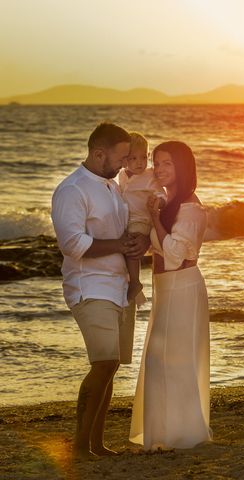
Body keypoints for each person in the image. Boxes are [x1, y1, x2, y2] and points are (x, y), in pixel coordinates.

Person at [51, 123, 149, 459]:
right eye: (121, 157)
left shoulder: (112, 186)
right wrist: (120, 243)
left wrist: (137, 241)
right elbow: (72, 244)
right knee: (104, 361)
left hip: (119, 285)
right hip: (88, 286)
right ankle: (79, 445)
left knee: (111, 365)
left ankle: (96, 443)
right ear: (98, 153)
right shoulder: (72, 190)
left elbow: (123, 231)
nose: (125, 164)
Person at [130, 141, 212, 450]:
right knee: (161, 361)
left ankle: (183, 435)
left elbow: (176, 254)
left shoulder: (190, 206)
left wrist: (153, 220)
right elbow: (161, 247)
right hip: (166, 289)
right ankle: (163, 435)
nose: (159, 169)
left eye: (166, 163)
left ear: (182, 167)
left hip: (182, 287)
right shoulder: (169, 202)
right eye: (156, 162)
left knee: (173, 362)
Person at [117, 132, 165, 305]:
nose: (140, 162)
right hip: (126, 219)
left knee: (132, 247)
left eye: (144, 157)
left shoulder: (149, 175)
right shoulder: (122, 175)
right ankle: (131, 283)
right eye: (134, 158)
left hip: (142, 220)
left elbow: (161, 193)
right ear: (124, 160)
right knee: (121, 249)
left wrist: (160, 202)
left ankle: (135, 283)